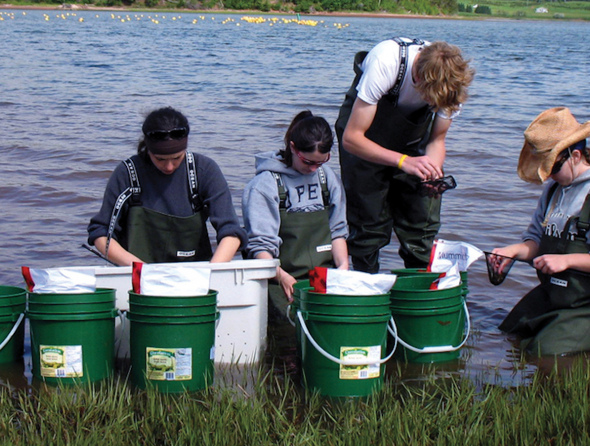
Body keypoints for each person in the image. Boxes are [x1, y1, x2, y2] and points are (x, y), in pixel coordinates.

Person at [335, 37, 475, 273]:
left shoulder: (450, 84)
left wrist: (432, 170)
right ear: (418, 79)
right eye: (431, 99)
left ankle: (418, 287)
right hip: (364, 139)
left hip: (412, 142)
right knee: (368, 224)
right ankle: (367, 286)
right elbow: (352, 138)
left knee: (421, 221)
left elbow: (437, 139)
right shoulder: (386, 63)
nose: (433, 104)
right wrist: (402, 161)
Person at [87, 107, 247, 266]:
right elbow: (101, 234)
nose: (169, 167)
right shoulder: (127, 173)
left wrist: (211, 272)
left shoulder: (204, 170)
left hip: (195, 272)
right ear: (148, 150)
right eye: (160, 159)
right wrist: (141, 270)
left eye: (177, 158)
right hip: (137, 273)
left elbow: (231, 232)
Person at [493, 107, 590, 356]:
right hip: (555, 292)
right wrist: (512, 252)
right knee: (509, 333)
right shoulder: (552, 191)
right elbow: (536, 240)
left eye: (553, 168)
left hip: (585, 301)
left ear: (576, 155)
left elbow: (563, 258)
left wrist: (567, 260)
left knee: (542, 352)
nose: (548, 176)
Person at [242, 110, 349, 307]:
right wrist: (282, 277)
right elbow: (260, 248)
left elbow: (337, 232)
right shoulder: (264, 185)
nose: (314, 169)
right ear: (293, 147)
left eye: (321, 162)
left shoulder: (328, 178)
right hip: (280, 279)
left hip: (324, 278)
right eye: (308, 162)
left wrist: (343, 266)